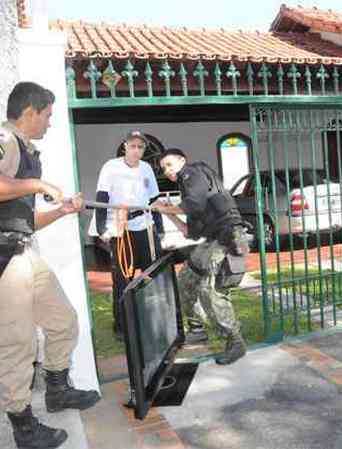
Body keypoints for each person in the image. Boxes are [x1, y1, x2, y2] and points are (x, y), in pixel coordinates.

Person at [0, 81, 100, 449]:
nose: (50, 123)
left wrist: (61, 210)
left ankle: (57, 391)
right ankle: (23, 427)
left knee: (63, 321)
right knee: (17, 344)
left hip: (20, 252)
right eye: (48, 115)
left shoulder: (24, 151)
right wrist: (37, 183)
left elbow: (22, 220)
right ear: (30, 112)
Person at [152, 148, 250, 365]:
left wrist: (166, 208)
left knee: (209, 290)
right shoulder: (186, 185)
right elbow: (190, 231)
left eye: (169, 165)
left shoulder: (192, 173)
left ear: (182, 161)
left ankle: (235, 342)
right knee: (186, 280)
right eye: (163, 168)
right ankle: (197, 330)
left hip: (228, 237)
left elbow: (194, 205)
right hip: (211, 240)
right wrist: (166, 212)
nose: (167, 171)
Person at [94, 130, 163, 337]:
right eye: (132, 146)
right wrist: (101, 229)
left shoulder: (147, 168)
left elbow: (154, 199)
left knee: (153, 274)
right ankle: (122, 326)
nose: (136, 150)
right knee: (122, 278)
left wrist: (159, 228)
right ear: (125, 146)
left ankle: (153, 319)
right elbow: (101, 197)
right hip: (121, 227)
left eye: (140, 147)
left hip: (145, 225)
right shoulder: (110, 167)